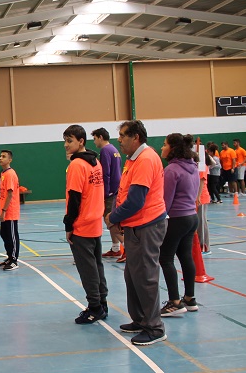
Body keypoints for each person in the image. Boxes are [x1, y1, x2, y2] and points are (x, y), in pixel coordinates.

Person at [106, 120, 167, 346]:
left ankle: (155, 327)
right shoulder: (133, 160)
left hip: (147, 226)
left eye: (123, 136)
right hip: (135, 226)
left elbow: (136, 200)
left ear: (136, 138)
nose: (119, 140)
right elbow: (123, 193)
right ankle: (141, 320)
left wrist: (113, 218)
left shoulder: (146, 159)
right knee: (132, 276)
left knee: (145, 277)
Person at [63, 125, 107, 324]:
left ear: (81, 141)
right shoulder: (95, 162)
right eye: (65, 141)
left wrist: (69, 225)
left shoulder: (77, 165)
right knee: (97, 266)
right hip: (95, 222)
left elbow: (74, 198)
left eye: (70, 141)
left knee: (87, 269)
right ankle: (101, 303)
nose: (66, 145)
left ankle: (95, 307)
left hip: (82, 225)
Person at [158, 133, 200, 317]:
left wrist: (157, 220)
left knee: (165, 258)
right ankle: (190, 298)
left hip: (177, 219)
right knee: (185, 257)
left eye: (164, 144)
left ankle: (174, 302)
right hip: (192, 217)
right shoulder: (193, 167)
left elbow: (165, 202)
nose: (162, 148)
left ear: (173, 148)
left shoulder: (172, 170)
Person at [92, 128, 124, 262]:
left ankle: (126, 247)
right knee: (111, 220)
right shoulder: (114, 149)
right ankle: (116, 249)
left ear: (100, 137)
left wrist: (104, 193)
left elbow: (105, 173)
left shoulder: (105, 150)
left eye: (94, 139)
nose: (94, 142)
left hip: (110, 191)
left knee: (110, 220)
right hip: (117, 189)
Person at [0, 149, 20, 271]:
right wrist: (0, 201)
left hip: (10, 211)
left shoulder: (10, 174)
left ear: (9, 160)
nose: (1, 158)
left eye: (4, 156)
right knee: (4, 234)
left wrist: (4, 210)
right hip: (4, 209)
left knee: (12, 235)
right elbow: (4, 193)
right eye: (0, 156)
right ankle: (9, 256)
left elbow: (10, 194)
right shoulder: (3, 173)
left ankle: (14, 260)